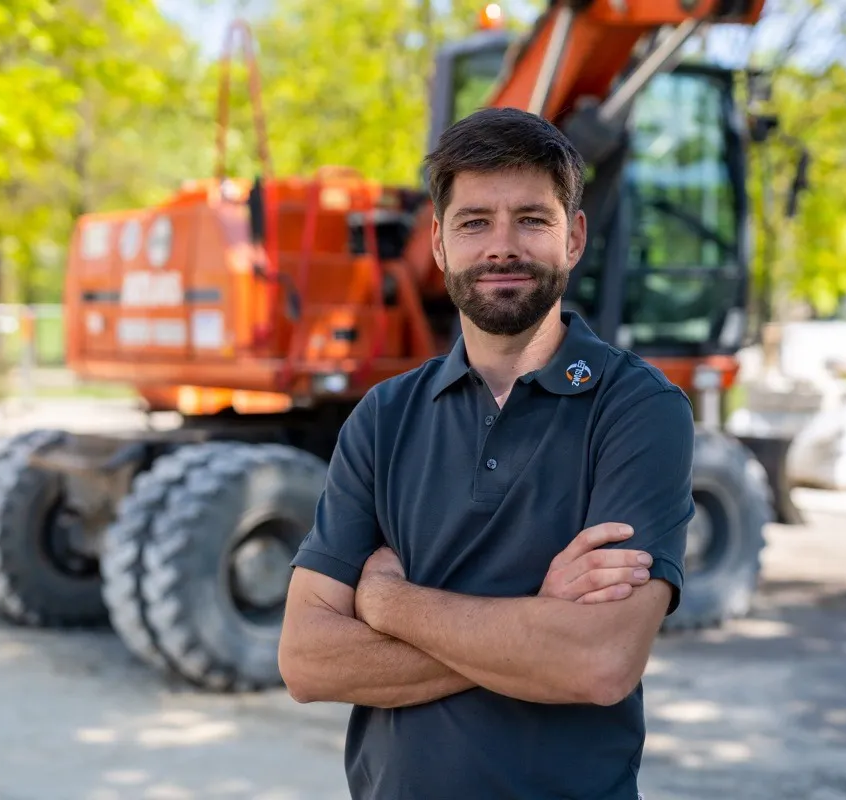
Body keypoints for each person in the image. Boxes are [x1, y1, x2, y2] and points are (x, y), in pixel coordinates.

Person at [278, 106, 695, 800]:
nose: (502, 246)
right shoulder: (383, 417)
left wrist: (389, 601)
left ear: (574, 239)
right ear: (439, 244)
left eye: (532, 219)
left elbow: (597, 662)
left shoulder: (638, 409)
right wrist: (536, 620)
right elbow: (307, 660)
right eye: (475, 222)